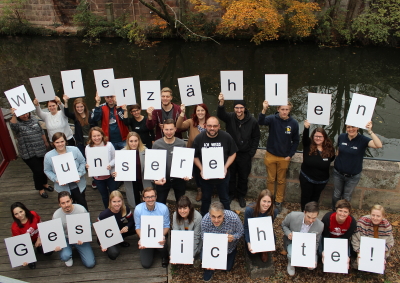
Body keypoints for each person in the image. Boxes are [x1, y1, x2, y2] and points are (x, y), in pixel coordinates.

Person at [217, 94, 260, 207]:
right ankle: (231, 194)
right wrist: (221, 103)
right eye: (237, 107)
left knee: (243, 177)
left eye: (241, 108)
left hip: (245, 154)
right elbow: (220, 115)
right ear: (234, 108)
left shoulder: (252, 121)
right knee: (230, 175)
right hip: (231, 153)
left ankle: (241, 195)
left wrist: (251, 152)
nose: (239, 110)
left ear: (245, 108)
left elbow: (256, 137)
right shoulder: (230, 117)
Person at [258, 100, 299, 212]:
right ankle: (269, 200)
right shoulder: (272, 119)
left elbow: (296, 141)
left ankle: (279, 201)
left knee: (281, 180)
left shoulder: (293, 123)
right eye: (282, 109)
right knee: (270, 179)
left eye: (286, 110)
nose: (284, 112)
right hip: (271, 154)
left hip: (284, 157)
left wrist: (290, 155)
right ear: (278, 109)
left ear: (289, 110)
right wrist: (264, 109)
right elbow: (260, 122)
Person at [192, 116, 238, 216]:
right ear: (205, 126)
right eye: (209, 126)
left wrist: (225, 167)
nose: (212, 128)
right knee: (205, 199)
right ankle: (204, 218)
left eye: (214, 126)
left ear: (219, 126)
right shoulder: (199, 138)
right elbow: (195, 156)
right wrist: (201, 168)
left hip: (222, 175)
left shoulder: (226, 137)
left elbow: (233, 153)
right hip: (206, 176)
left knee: (225, 199)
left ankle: (228, 217)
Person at [332, 121, 382, 210]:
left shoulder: (362, 140)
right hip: (338, 173)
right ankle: (334, 211)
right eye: (348, 127)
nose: (351, 129)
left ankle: (344, 213)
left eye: (353, 127)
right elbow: (338, 151)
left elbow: (378, 145)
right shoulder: (342, 137)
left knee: (346, 197)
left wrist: (370, 131)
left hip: (353, 176)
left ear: (358, 127)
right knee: (336, 194)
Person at [9, 108, 53, 198]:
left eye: (26, 113)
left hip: (40, 148)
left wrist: (45, 142)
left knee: (44, 168)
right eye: (22, 114)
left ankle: (45, 184)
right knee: (37, 171)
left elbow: (41, 131)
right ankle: (40, 188)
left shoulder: (34, 119)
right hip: (28, 152)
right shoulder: (17, 123)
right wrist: (13, 114)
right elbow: (13, 126)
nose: (25, 115)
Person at [44, 132, 88, 210]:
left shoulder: (74, 150)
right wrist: (56, 179)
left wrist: (79, 174)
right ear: (53, 143)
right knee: (68, 208)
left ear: (65, 141)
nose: (60, 144)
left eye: (62, 141)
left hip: (78, 185)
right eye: (57, 142)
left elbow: (82, 162)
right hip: (62, 188)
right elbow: (47, 170)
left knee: (82, 204)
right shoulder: (48, 156)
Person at [201, 201, 244, 282]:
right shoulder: (205, 220)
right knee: (203, 260)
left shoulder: (234, 218)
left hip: (229, 248)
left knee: (227, 268)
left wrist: (233, 237)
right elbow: (203, 236)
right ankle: (209, 270)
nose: (216, 220)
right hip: (212, 248)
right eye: (213, 216)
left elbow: (241, 232)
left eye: (219, 216)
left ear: (223, 214)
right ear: (209, 214)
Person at [177, 103, 210, 202]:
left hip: (207, 153)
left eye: (202, 110)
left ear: (206, 111)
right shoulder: (191, 122)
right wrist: (182, 113)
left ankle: (207, 190)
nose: (200, 112)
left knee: (207, 171)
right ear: (195, 112)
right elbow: (179, 126)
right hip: (194, 153)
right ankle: (199, 189)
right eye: (198, 110)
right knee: (196, 172)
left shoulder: (210, 122)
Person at [53, 191, 95, 268]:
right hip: (65, 238)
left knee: (90, 264)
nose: (66, 205)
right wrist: (56, 245)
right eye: (63, 203)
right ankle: (68, 255)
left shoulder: (81, 210)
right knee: (65, 256)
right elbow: (55, 232)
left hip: (79, 237)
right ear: (59, 204)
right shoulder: (56, 215)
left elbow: (88, 224)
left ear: (71, 200)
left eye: (68, 201)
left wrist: (84, 237)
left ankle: (78, 249)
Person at [300, 120, 335, 211]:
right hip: (307, 178)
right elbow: (304, 138)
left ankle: (312, 214)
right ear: (313, 136)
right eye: (316, 136)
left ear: (324, 137)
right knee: (305, 197)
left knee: (315, 199)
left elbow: (332, 158)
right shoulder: (308, 145)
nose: (318, 138)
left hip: (321, 181)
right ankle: (304, 213)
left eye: (320, 136)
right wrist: (306, 128)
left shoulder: (329, 148)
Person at [281, 201, 324, 276]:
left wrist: (312, 255)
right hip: (293, 242)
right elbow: (284, 225)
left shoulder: (320, 225)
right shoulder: (292, 216)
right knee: (291, 255)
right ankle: (291, 263)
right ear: (304, 212)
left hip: (308, 246)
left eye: (314, 218)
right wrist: (288, 233)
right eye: (309, 217)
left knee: (312, 266)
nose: (311, 221)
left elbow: (316, 242)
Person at [152, 119, 188, 204]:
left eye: (171, 129)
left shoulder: (182, 144)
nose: (169, 132)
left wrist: (187, 174)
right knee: (160, 203)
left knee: (181, 204)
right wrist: (154, 180)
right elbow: (152, 163)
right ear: (162, 129)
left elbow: (185, 161)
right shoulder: (156, 144)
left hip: (179, 180)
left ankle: (179, 217)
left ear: (175, 129)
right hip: (162, 179)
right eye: (166, 129)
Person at [112, 132, 152, 208]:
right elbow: (117, 166)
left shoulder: (145, 151)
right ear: (127, 141)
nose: (133, 143)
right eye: (131, 141)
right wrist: (116, 173)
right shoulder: (122, 153)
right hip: (131, 182)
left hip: (143, 180)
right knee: (135, 202)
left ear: (139, 141)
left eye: (135, 141)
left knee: (148, 200)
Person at [134, 187, 170, 269]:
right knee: (146, 264)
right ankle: (152, 250)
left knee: (163, 246)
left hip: (160, 234)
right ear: (143, 198)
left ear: (156, 197)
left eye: (152, 196)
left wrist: (160, 236)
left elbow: (167, 226)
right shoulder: (138, 209)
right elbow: (138, 226)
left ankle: (164, 256)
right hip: (146, 236)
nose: (150, 199)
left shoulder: (163, 208)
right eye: (147, 197)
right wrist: (142, 238)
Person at [351, 204, 394, 269]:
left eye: (378, 216)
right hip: (363, 249)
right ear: (370, 214)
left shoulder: (387, 227)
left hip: (378, 251)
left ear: (383, 216)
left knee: (379, 267)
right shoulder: (362, 223)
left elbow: (390, 242)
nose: (375, 218)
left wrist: (382, 255)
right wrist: (359, 252)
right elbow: (355, 238)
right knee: (358, 266)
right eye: (373, 215)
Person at [11, 202, 52, 269]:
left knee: (48, 252)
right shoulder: (15, 228)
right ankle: (30, 259)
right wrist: (23, 258)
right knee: (28, 260)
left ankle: (39, 248)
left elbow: (41, 225)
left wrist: (39, 238)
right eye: (16, 214)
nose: (20, 215)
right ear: (14, 215)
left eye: (21, 211)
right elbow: (19, 243)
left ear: (24, 210)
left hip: (37, 236)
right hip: (26, 244)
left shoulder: (33, 214)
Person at [97, 191, 136, 260]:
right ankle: (111, 246)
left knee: (137, 226)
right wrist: (103, 242)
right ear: (110, 202)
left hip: (119, 231)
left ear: (122, 201)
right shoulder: (104, 215)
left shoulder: (125, 209)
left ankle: (120, 240)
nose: (117, 204)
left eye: (119, 201)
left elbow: (131, 221)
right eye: (114, 201)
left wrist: (127, 227)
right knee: (113, 254)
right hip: (107, 236)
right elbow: (98, 230)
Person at [85, 127, 117, 208]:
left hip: (110, 176)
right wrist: (87, 165)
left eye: (98, 135)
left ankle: (117, 209)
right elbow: (88, 160)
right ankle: (108, 210)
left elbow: (115, 158)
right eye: (94, 136)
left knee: (114, 194)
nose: (96, 138)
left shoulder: (109, 145)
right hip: (98, 178)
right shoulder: (88, 147)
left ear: (102, 135)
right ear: (91, 137)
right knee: (104, 196)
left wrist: (110, 164)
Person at [243, 189, 278, 262]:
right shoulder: (249, 210)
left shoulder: (274, 211)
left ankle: (264, 251)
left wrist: (271, 242)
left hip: (263, 231)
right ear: (259, 200)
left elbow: (269, 226)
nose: (266, 204)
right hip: (252, 231)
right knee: (252, 254)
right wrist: (249, 242)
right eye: (264, 201)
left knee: (273, 243)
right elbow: (246, 227)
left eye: (269, 202)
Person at [320, 199, 356, 264]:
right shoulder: (328, 218)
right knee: (321, 253)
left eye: (345, 212)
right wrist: (327, 249)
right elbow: (325, 235)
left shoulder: (352, 221)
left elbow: (346, 237)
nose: (342, 214)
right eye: (340, 210)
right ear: (336, 210)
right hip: (328, 238)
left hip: (342, 240)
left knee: (346, 256)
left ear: (349, 212)